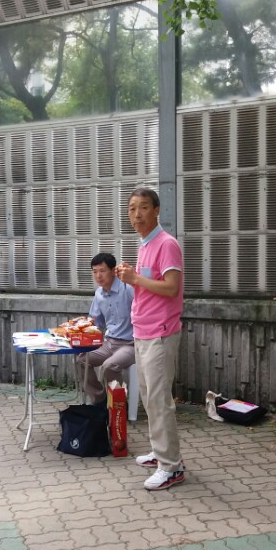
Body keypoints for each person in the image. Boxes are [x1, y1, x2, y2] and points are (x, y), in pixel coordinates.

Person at [116, 187, 184, 491]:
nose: (137, 214)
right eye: (132, 208)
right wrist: (132, 277)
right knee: (149, 397)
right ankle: (160, 452)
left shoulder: (166, 244)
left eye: (143, 207)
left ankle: (171, 467)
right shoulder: (145, 244)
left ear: (156, 210)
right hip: (143, 331)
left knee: (158, 401)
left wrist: (135, 279)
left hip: (160, 332)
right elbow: (149, 284)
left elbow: (171, 287)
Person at [77, 252, 135, 406]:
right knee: (81, 360)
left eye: (102, 271)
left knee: (109, 366)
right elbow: (95, 323)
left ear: (113, 271)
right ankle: (101, 400)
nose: (98, 276)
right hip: (109, 343)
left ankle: (118, 406)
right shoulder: (99, 293)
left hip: (130, 344)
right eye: (95, 271)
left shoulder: (128, 288)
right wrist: (85, 344)